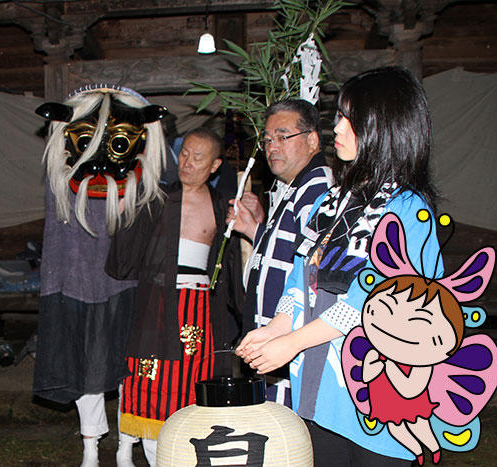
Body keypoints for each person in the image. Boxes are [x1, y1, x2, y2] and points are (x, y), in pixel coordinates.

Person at [236, 67, 441, 465]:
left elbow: (375, 304)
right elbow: (300, 277)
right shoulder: (332, 202)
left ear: (384, 126)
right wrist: (276, 328)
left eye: (351, 118)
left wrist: (291, 343)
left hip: (379, 400)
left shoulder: (408, 211)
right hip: (319, 396)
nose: (338, 129)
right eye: (340, 117)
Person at [33, 84, 168, 467]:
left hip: (127, 279)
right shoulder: (59, 182)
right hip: (76, 276)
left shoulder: (145, 188)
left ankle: (128, 444)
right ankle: (90, 446)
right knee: (84, 361)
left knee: (130, 363)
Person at [107, 128, 244, 466]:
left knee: (192, 379)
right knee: (150, 375)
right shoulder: (157, 198)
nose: (188, 162)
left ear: (214, 166)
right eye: (184, 154)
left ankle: (183, 452)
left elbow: (229, 268)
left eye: (198, 158)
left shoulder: (221, 206)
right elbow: (126, 261)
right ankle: (141, 451)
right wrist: (126, 213)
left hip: (199, 309)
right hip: (157, 302)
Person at [228, 99, 333, 405]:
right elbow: (292, 250)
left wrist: (287, 335)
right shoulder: (297, 188)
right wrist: (253, 230)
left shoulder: (317, 187)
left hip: (293, 336)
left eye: (283, 137)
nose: (272, 147)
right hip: (278, 335)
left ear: (312, 139)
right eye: (267, 139)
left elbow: (314, 269)